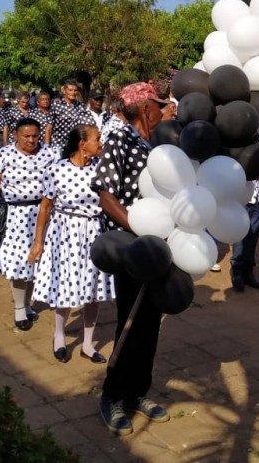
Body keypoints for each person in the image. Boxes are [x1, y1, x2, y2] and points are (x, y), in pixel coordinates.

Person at [92, 82, 172, 436]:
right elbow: (106, 196)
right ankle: (112, 395)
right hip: (132, 245)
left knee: (152, 321)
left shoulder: (159, 143)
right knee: (130, 320)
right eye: (157, 105)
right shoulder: (120, 141)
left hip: (161, 244)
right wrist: (138, 230)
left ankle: (138, 392)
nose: (163, 110)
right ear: (143, 108)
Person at [29, 124, 114, 363]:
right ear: (82, 144)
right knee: (66, 285)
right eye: (97, 139)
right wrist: (38, 242)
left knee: (93, 289)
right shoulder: (56, 170)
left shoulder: (101, 171)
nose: (101, 143)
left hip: (94, 232)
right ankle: (59, 336)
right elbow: (45, 207)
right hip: (66, 234)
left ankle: (88, 344)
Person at [0, 117, 55, 328]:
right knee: (19, 263)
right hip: (15, 216)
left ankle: (28, 303)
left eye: (35, 136)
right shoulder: (3, 155)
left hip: (43, 214)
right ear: (15, 135)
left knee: (36, 262)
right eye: (26, 136)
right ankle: (19, 308)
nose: (31, 140)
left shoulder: (50, 153)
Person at [230, 173, 259, 291]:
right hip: (241, 199)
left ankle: (248, 272)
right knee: (240, 234)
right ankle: (237, 270)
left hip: (257, 199)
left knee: (254, 233)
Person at [50, 79, 95, 150]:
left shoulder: (80, 106)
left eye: (75, 90)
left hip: (75, 146)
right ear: (64, 91)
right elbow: (49, 127)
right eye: (70, 90)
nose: (73, 92)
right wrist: (47, 147)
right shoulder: (56, 105)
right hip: (58, 145)